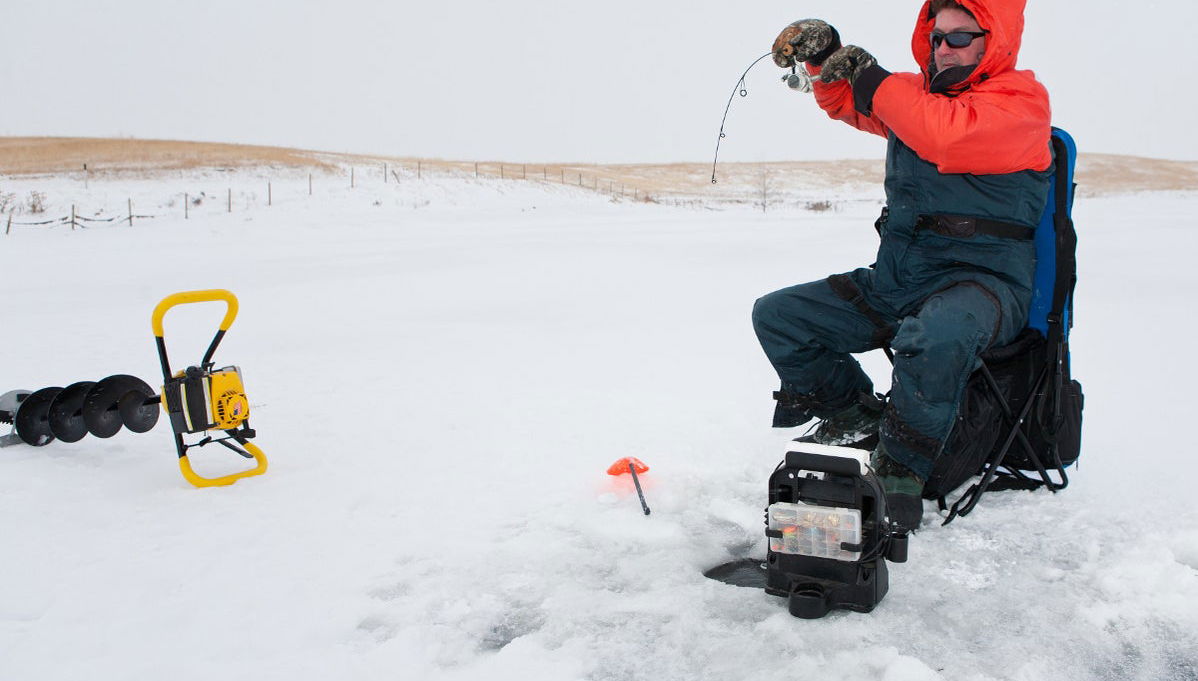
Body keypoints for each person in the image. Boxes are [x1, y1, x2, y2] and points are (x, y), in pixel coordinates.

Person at [752, 0, 1053, 528]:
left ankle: (901, 469)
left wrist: (873, 77)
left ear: (994, 42)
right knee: (780, 316)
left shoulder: (1020, 103)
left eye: (959, 37)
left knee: (933, 335)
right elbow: (853, 104)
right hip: (901, 279)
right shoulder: (917, 97)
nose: (944, 49)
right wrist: (826, 61)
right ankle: (854, 416)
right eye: (937, 37)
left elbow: (946, 135)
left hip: (983, 285)